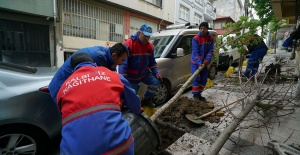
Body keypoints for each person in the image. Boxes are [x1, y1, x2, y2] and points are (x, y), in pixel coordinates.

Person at [57, 53, 142, 155]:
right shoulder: (112, 75)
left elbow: (64, 118)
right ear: (94, 64)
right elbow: (134, 101)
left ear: (73, 70)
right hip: (120, 147)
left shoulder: (63, 88)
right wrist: (138, 110)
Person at [49, 43, 128, 103]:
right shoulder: (99, 57)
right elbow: (99, 84)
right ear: (114, 55)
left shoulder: (107, 56)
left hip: (70, 86)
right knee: (70, 117)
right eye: (123, 60)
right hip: (62, 87)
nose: (123, 63)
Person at [118, 24, 161, 107]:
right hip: (132, 77)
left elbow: (152, 62)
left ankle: (146, 100)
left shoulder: (150, 46)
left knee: (155, 82)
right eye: (145, 36)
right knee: (132, 97)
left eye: (149, 36)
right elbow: (123, 65)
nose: (147, 38)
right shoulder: (128, 45)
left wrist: (156, 72)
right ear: (139, 33)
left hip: (144, 73)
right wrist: (123, 80)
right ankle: (131, 110)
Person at [190, 22, 214, 101]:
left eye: (204, 28)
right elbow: (195, 52)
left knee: (204, 78)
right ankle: (195, 96)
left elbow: (210, 50)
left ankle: (199, 93)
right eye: (201, 28)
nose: (202, 30)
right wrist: (200, 62)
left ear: (207, 29)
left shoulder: (210, 38)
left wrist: (207, 60)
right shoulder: (196, 38)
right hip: (195, 62)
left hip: (204, 62)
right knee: (196, 78)